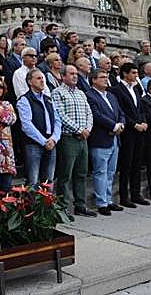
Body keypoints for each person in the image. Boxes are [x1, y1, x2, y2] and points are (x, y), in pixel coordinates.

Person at [52, 65, 94, 221]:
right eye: (71, 74)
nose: (75, 76)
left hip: (83, 138)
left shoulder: (81, 93)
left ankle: (81, 205)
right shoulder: (57, 92)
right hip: (68, 138)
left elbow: (89, 112)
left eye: (76, 74)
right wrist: (78, 129)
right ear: (63, 76)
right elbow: (60, 115)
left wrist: (87, 129)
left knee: (81, 173)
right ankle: (62, 208)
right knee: (65, 175)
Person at [86, 69, 125, 216]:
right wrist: (113, 126)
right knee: (100, 171)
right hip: (100, 139)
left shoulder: (111, 96)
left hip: (115, 139)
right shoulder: (89, 95)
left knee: (110, 172)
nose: (106, 79)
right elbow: (96, 115)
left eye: (106, 77)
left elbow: (120, 113)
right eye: (102, 77)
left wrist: (121, 124)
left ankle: (108, 200)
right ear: (93, 80)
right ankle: (101, 203)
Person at [110, 62, 149, 207]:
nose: (135, 75)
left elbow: (141, 108)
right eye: (133, 73)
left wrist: (144, 122)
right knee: (126, 164)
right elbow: (122, 112)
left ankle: (136, 194)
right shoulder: (117, 90)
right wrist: (134, 124)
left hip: (140, 131)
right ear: (125, 73)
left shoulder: (137, 89)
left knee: (137, 163)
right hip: (128, 132)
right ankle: (124, 197)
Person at [17, 68, 62, 187]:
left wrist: (54, 139)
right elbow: (26, 125)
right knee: (33, 181)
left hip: (51, 142)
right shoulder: (24, 100)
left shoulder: (48, 99)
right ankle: (33, 206)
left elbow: (57, 120)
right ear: (30, 82)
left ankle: (47, 206)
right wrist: (43, 141)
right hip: (34, 144)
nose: (42, 81)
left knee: (49, 180)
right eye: (38, 78)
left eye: (43, 78)